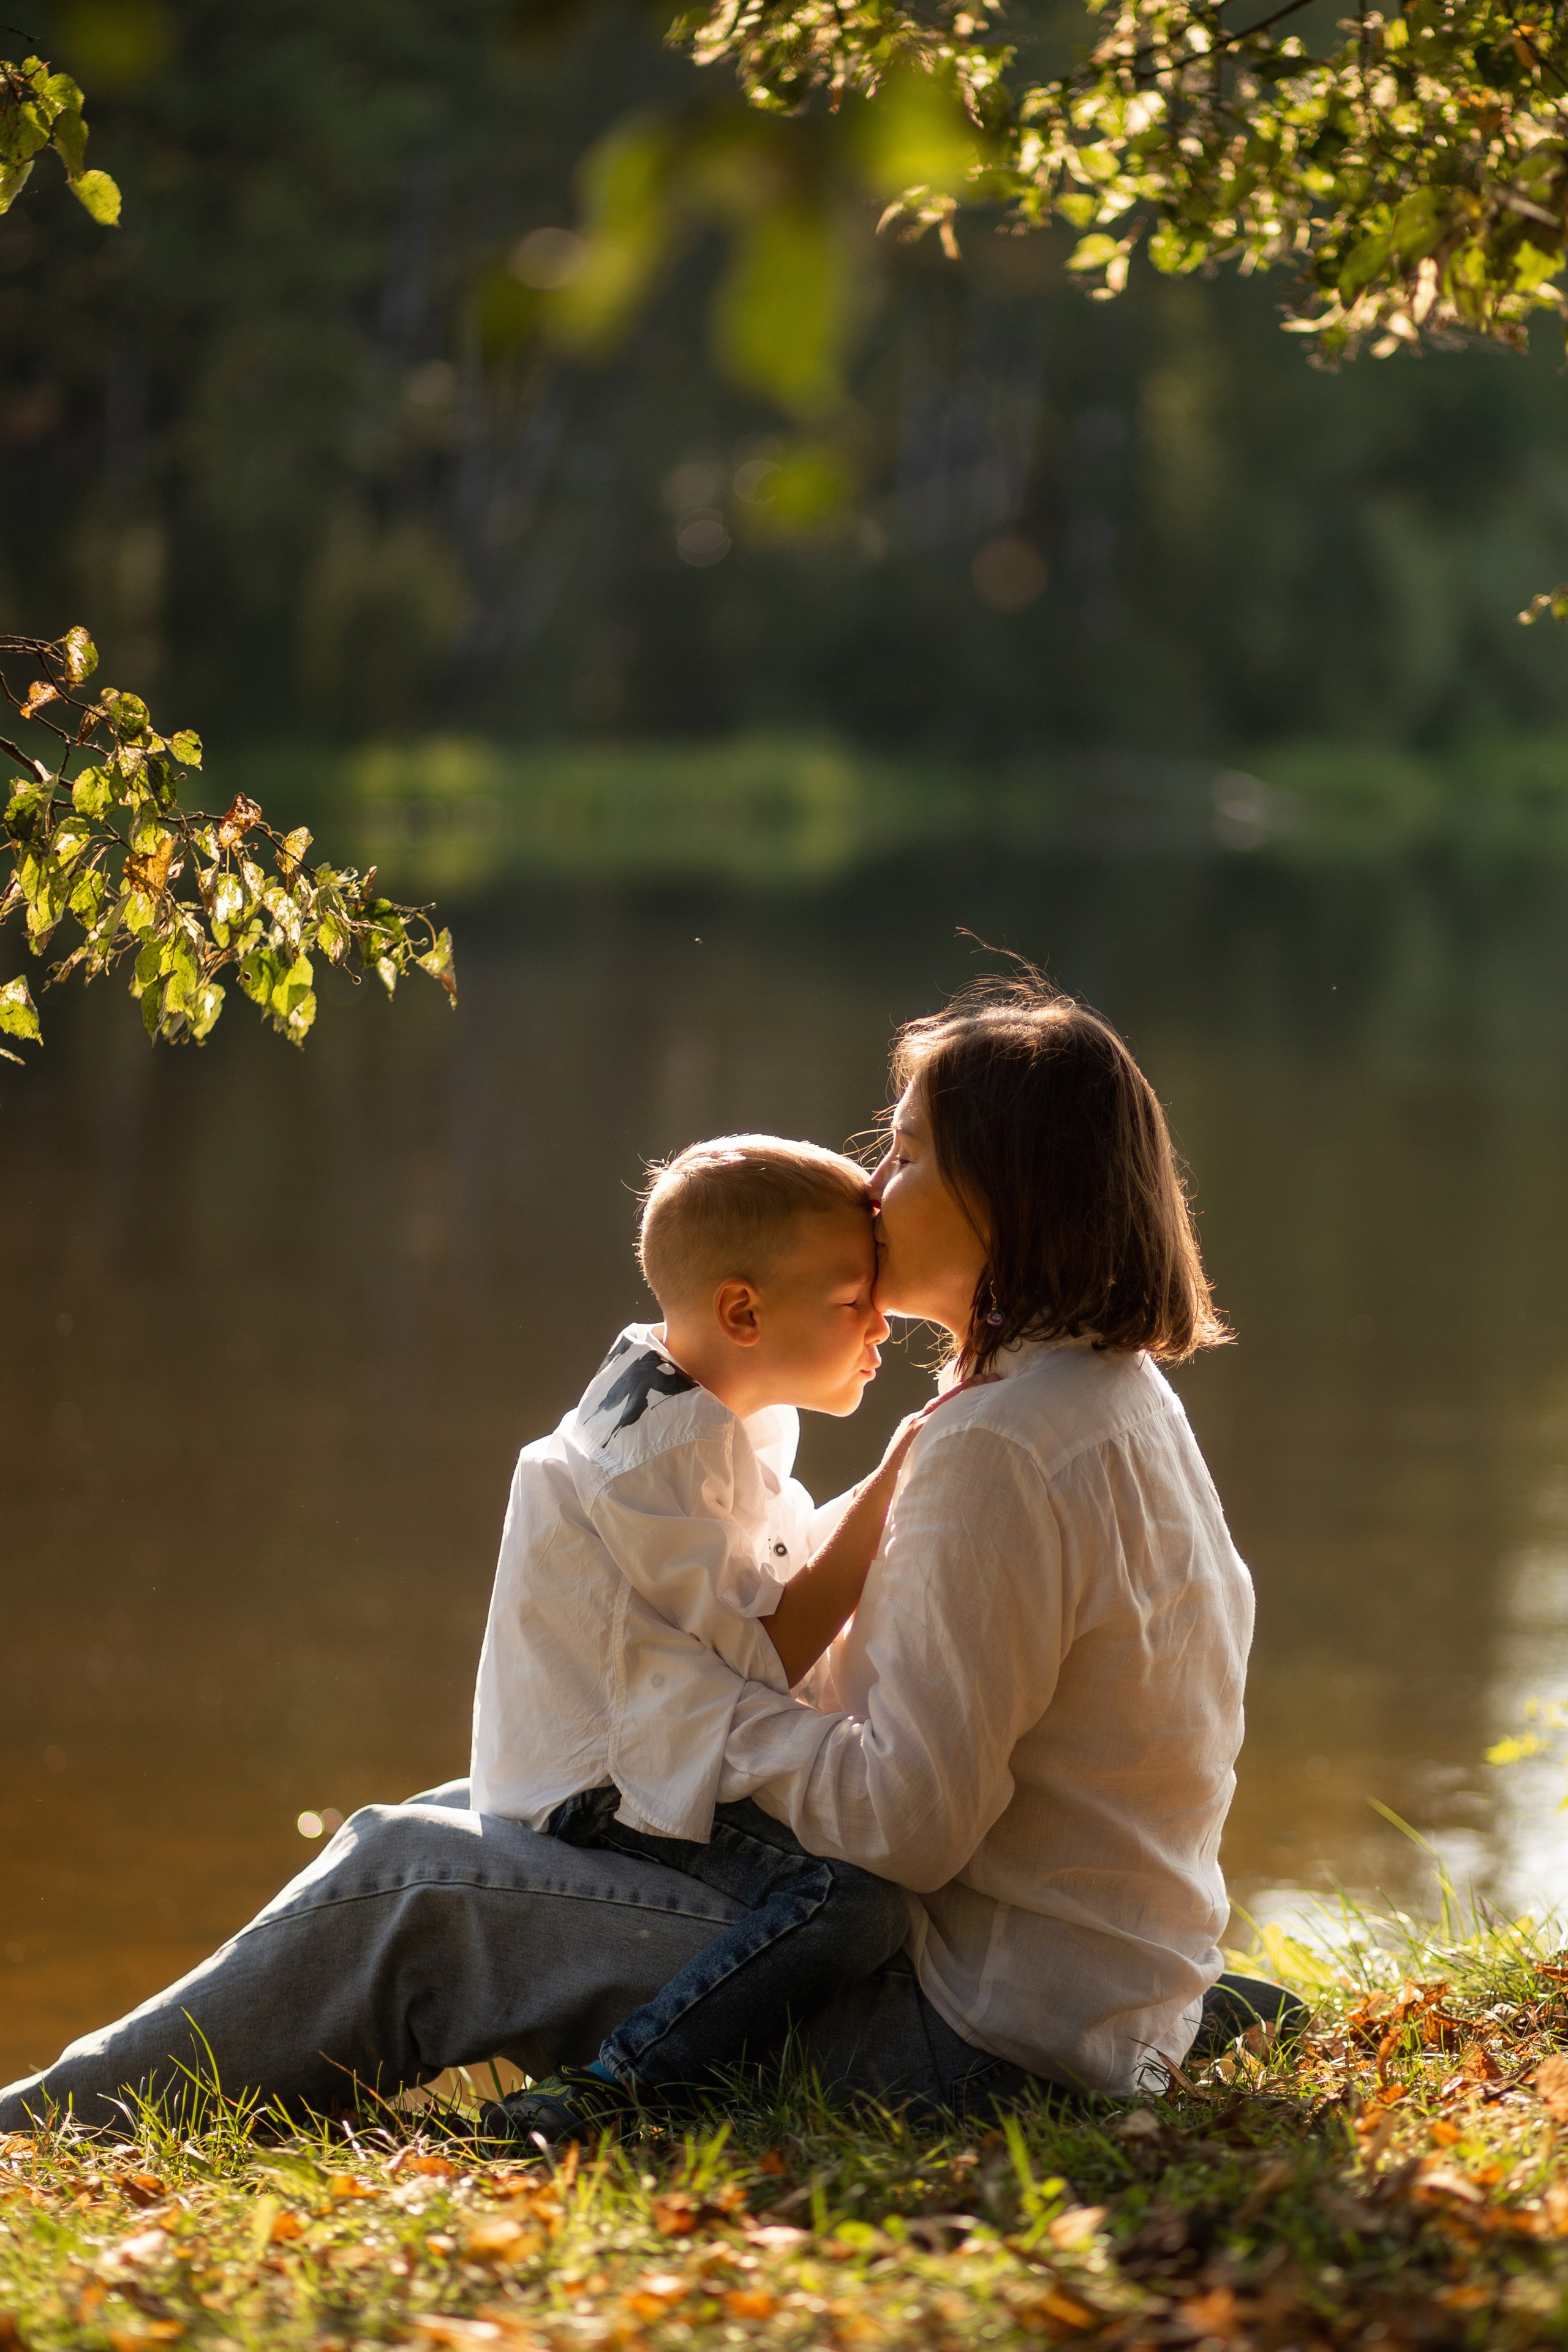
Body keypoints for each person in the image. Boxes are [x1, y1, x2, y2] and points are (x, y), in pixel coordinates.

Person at [0, 970, 1291, 2139]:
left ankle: (43, 2134)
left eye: (901, 1157)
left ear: (1004, 1196)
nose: (869, 1191)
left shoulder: (1004, 1446)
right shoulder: (1092, 1395)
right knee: (478, 1812)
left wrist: (701, 1720)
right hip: (1067, 2002)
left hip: (966, 2043)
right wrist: (671, 1722)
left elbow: (907, 1823)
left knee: (417, 1882)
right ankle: (83, 2092)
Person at [470, 1135, 944, 2143]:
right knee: (852, 1904)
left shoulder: (706, 1396)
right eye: (855, 1301)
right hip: (599, 1775)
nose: (884, 1326)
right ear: (743, 1311)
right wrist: (907, 1468)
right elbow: (768, 1653)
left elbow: (767, 1581)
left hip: (672, 1720)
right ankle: (615, 2084)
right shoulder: (658, 1455)